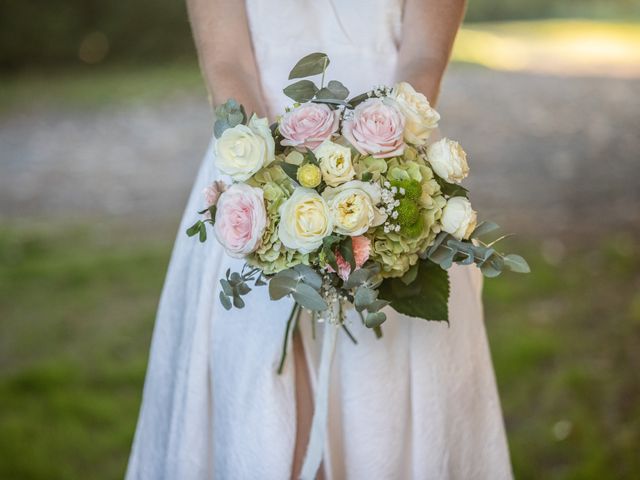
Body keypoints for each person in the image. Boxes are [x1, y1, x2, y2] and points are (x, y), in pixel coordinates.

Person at [126, 0, 513, 478]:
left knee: (383, 419)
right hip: (254, 177)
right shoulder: (260, 184)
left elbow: (423, 61)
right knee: (262, 425)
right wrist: (275, 191)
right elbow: (227, 63)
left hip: (392, 171)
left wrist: (378, 183)